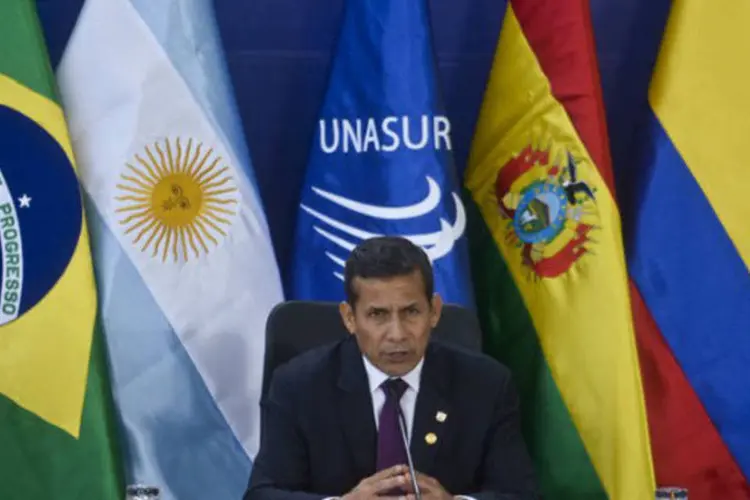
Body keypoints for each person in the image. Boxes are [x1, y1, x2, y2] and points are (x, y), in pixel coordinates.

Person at [244, 236, 539, 499]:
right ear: (349, 318)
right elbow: (262, 494)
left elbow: (519, 494)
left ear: (434, 311)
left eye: (411, 312)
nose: (397, 333)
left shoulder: (486, 385)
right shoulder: (298, 387)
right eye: (378, 315)